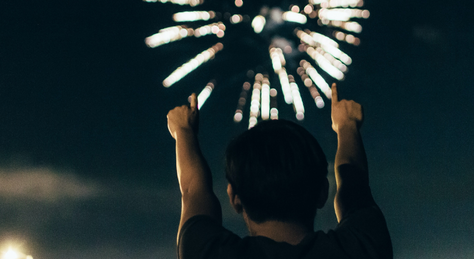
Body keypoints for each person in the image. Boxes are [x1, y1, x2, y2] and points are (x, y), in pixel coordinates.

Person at [167, 83, 392, 259]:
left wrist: (183, 130)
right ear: (323, 192)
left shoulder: (208, 253)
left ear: (235, 198)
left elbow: (193, 190)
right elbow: (355, 187)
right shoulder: (363, 249)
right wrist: (347, 125)